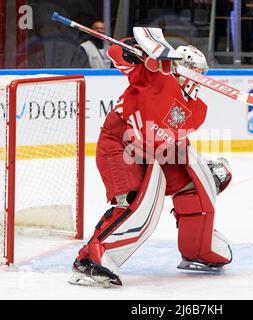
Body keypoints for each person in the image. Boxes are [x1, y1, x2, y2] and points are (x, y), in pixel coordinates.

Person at [69, 38, 233, 287]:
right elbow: (116, 53)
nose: (201, 78)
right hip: (120, 144)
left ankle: (199, 248)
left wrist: (201, 173)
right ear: (182, 68)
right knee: (133, 203)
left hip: (156, 153)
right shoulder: (154, 74)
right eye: (197, 71)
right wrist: (134, 50)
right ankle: (89, 261)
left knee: (196, 186)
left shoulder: (198, 110)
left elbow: (173, 137)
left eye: (203, 73)